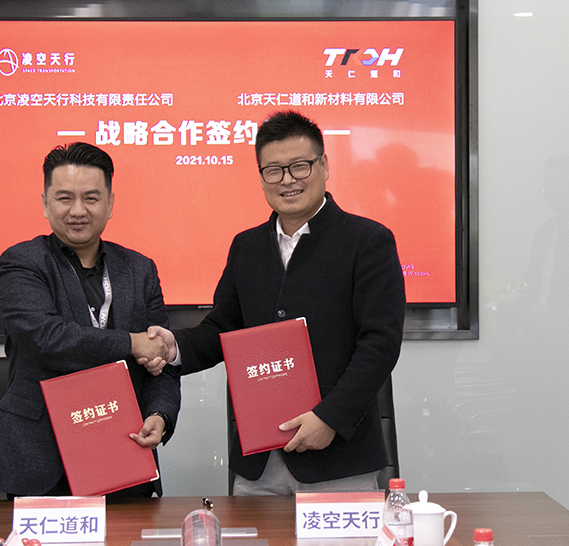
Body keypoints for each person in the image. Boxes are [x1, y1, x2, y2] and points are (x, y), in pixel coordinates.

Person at [145, 111, 405, 494]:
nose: (287, 180)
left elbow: (380, 343)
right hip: (259, 465)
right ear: (261, 177)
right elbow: (223, 329)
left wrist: (330, 418)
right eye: (273, 170)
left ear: (324, 165)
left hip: (337, 460)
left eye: (300, 166)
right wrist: (174, 347)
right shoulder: (246, 247)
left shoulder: (368, 241)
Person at [0, 142, 180, 499]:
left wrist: (160, 414)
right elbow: (46, 339)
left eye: (91, 198)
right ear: (45, 203)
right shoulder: (21, 262)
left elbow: (160, 356)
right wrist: (131, 343)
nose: (78, 210)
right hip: (40, 458)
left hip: (124, 449)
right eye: (65, 198)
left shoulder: (139, 269)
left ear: (110, 203)